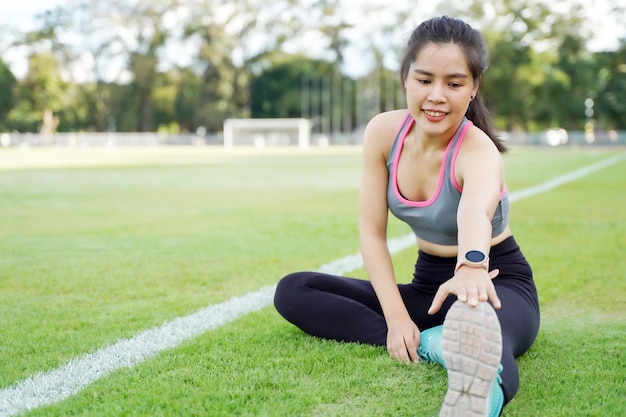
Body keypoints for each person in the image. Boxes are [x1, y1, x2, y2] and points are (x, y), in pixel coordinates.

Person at [274, 15, 540, 417]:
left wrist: (471, 265)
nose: (436, 95)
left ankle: (478, 384)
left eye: (454, 83)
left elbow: (475, 213)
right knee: (295, 289)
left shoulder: (477, 150)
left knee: (485, 337)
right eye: (424, 79)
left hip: (494, 282)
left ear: (473, 89)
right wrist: (397, 319)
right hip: (427, 287)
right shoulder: (383, 133)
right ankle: (437, 342)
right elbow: (371, 233)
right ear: (405, 79)